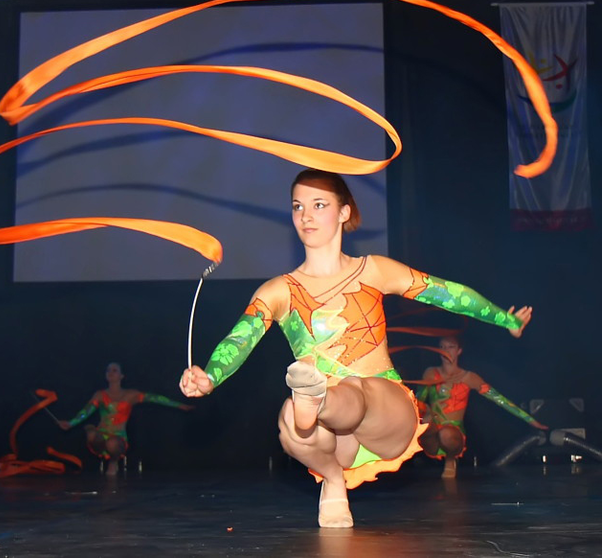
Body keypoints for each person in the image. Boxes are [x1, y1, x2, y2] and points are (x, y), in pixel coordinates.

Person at [179, 168, 532, 528]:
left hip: (386, 414)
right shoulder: (277, 291)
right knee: (290, 420)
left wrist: (505, 319)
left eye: (319, 205)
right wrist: (210, 376)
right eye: (298, 206)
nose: (306, 215)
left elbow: (448, 294)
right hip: (333, 441)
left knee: (349, 391)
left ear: (344, 212)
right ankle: (332, 477)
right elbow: (239, 339)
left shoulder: (373, 270)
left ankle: (315, 399)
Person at [416, 335, 547, 479]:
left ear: (459, 351)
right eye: (442, 347)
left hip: (453, 433)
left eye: (450, 347)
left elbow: (499, 399)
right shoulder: (430, 373)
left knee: (446, 434)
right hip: (432, 432)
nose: (445, 351)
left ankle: (450, 460)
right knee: (426, 422)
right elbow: (418, 400)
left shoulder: (469, 377)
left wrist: (530, 420)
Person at [59, 362, 193, 475]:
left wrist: (179, 405)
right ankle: (92, 432)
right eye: (108, 370)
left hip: (118, 438)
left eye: (114, 370)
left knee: (112, 443)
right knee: (92, 434)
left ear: (121, 376)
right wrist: (71, 423)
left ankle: (113, 462)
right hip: (101, 435)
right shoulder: (100, 395)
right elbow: (86, 411)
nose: (110, 373)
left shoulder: (130, 395)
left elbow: (155, 398)